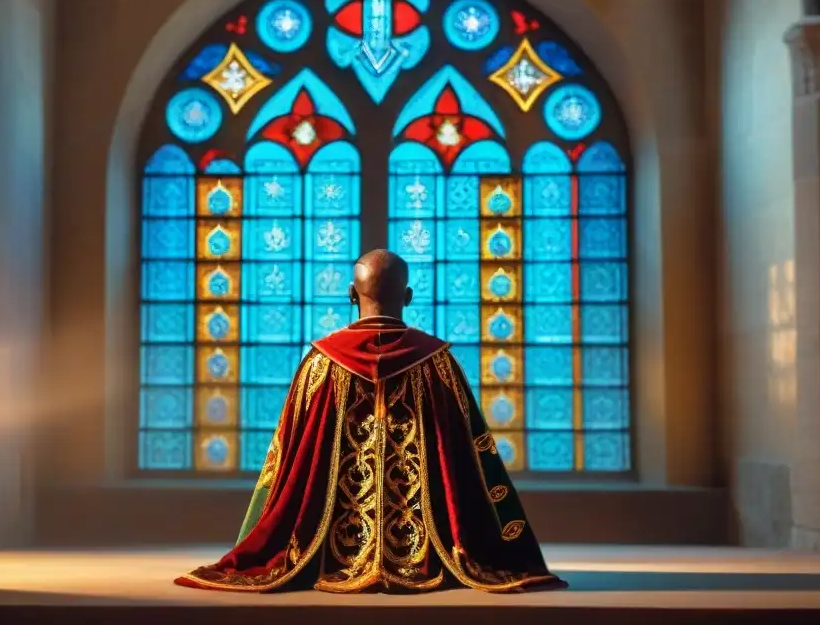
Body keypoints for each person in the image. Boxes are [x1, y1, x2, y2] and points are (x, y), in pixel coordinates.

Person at [175, 249, 567, 593]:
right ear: (408, 297)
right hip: (432, 553)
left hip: (323, 553)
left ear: (351, 293)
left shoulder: (319, 364)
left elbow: (288, 458)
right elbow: (470, 458)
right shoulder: (439, 363)